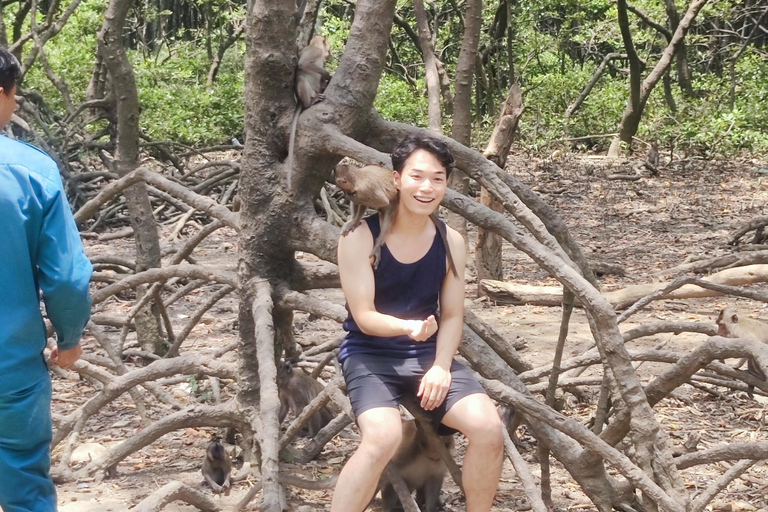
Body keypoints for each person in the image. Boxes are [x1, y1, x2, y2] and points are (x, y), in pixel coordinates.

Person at [331, 135, 503, 512]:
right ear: (396, 179)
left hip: (427, 353)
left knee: (489, 429)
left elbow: (454, 315)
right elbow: (364, 317)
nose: (427, 188)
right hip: (370, 353)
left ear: (446, 184)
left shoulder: (450, 241)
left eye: (437, 179)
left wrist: (442, 367)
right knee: (382, 438)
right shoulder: (359, 236)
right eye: (417, 177)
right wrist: (407, 327)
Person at [0, 47, 92, 512]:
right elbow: (68, 278)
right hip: (9, 367)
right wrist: (70, 339)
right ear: (2, 95)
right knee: (22, 480)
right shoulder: (31, 170)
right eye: (14, 96)